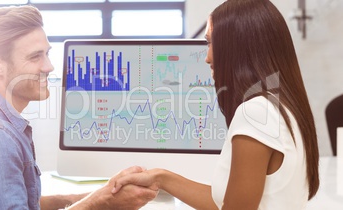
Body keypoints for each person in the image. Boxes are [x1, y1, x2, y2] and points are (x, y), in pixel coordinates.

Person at [0, 5, 157, 210]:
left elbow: (23, 202)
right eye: (35, 56)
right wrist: (101, 204)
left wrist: (103, 194)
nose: (49, 66)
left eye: (47, 53)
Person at [111, 0, 320, 209]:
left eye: (211, 43)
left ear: (237, 46)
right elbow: (229, 201)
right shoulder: (282, 106)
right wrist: (160, 177)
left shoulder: (256, 113)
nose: (207, 57)